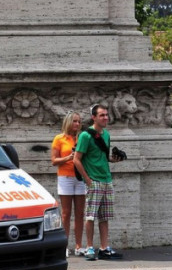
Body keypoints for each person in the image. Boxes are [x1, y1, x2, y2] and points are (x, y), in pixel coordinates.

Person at [73, 104, 124, 261]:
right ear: (93, 117)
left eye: (106, 115)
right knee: (90, 216)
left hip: (107, 179)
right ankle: (89, 248)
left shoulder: (107, 135)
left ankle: (103, 248)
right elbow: (76, 159)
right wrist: (87, 180)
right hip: (94, 181)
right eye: (102, 115)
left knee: (104, 217)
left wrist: (114, 159)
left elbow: (102, 156)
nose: (105, 118)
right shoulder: (85, 136)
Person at [51, 111, 86, 257]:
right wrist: (68, 157)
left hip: (80, 177)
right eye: (74, 121)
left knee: (80, 213)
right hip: (65, 177)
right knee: (65, 214)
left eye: (79, 122)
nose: (77, 124)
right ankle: (64, 246)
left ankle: (78, 246)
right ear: (68, 122)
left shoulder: (82, 138)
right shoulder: (59, 139)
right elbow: (54, 161)